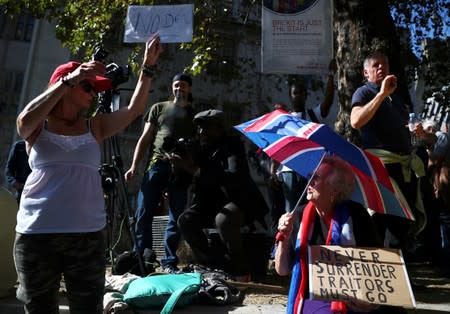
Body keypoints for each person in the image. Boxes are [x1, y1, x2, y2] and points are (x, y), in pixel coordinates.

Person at [14, 35, 162, 313]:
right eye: (87, 86)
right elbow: (23, 122)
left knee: (88, 308)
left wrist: (148, 67)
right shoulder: (38, 126)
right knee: (39, 308)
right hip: (37, 235)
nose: (94, 93)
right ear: (66, 83)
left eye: (95, 88)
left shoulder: (95, 126)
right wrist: (69, 78)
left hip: (87, 235)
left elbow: (134, 111)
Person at [275, 156, 385, 313]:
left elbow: (376, 263)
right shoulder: (298, 216)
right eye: (309, 177)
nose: (309, 182)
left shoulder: (356, 214)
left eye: (316, 178)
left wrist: (369, 300)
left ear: (335, 188)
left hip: (354, 293)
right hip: (313, 295)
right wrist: (283, 238)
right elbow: (282, 270)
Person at [178, 109, 269, 281]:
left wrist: (194, 169)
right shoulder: (199, 148)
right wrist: (179, 165)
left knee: (224, 220)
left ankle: (240, 270)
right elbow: (186, 181)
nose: (201, 132)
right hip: (211, 203)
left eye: (205, 128)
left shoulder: (233, 145)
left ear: (219, 128)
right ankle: (210, 265)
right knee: (186, 220)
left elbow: (233, 175)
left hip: (239, 201)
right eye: (199, 128)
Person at [350, 51, 425, 254]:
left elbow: (404, 134)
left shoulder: (398, 99)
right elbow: (355, 121)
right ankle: (382, 275)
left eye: (385, 65)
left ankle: (402, 278)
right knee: (383, 222)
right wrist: (381, 94)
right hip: (382, 167)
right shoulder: (364, 92)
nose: (382, 68)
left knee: (402, 223)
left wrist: (417, 134)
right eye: (376, 65)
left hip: (404, 167)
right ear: (366, 72)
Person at [124, 73, 197, 274]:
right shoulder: (159, 108)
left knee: (176, 216)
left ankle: (169, 262)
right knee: (144, 212)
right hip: (157, 165)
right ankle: (141, 258)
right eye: (176, 85)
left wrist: (189, 166)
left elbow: (197, 148)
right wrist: (134, 166)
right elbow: (145, 138)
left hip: (180, 170)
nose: (179, 89)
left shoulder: (194, 115)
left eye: (183, 86)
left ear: (189, 89)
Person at [415, 119, 450, 274]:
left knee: (445, 223)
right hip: (441, 190)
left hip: (444, 191)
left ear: (429, 128)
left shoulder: (442, 137)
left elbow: (432, 162)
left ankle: (445, 263)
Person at [4, 139, 31, 204]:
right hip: (22, 191)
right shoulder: (18, 146)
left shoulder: (44, 146)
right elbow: (9, 170)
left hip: (40, 191)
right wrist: (14, 183)